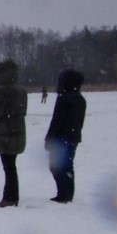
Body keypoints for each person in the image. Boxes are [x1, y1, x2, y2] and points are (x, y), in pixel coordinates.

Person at [0, 59, 28, 208]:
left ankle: (10, 197)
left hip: (4, 136)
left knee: (9, 167)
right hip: (17, 133)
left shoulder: (2, 91)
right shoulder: (21, 91)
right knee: (11, 167)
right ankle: (11, 195)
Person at [44, 68, 86, 203]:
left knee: (56, 166)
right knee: (67, 165)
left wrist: (49, 138)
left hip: (61, 137)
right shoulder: (80, 99)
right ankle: (68, 193)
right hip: (73, 137)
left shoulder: (63, 98)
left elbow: (57, 120)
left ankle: (63, 194)